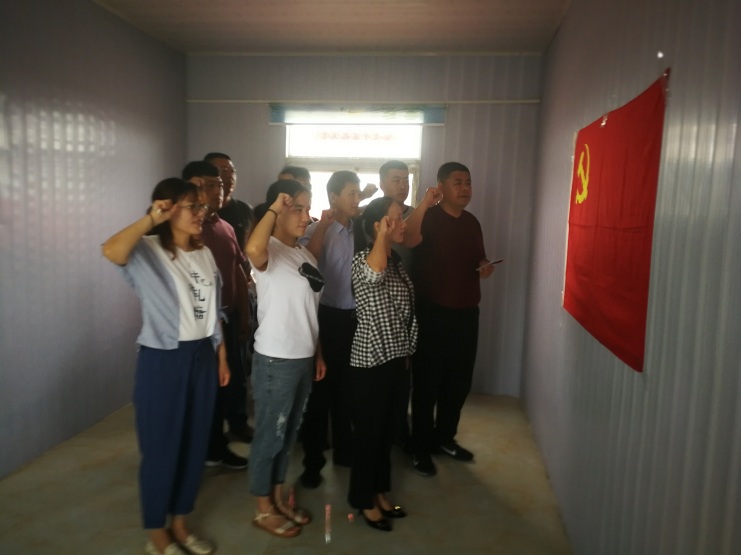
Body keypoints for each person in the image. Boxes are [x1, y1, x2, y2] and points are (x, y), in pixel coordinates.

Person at [102, 178, 228, 555]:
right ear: (168, 209)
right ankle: (156, 531)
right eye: (193, 207)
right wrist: (151, 219)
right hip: (162, 358)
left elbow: (213, 311)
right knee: (161, 446)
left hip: (202, 356)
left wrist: (221, 356)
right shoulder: (147, 250)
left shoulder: (205, 254)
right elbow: (110, 250)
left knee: (194, 443)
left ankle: (181, 523)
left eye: (202, 207)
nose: (201, 214)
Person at [403, 162, 496, 477]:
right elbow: (407, 240)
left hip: (467, 312)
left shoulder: (471, 222)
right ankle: (420, 446)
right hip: (433, 312)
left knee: (459, 382)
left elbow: (478, 257)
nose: (465, 188)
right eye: (458, 182)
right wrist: (424, 203)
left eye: (468, 182)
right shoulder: (428, 217)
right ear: (441, 186)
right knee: (427, 382)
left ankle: (444, 438)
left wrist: (484, 265)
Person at [245, 179, 327, 538]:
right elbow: (252, 247)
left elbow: (310, 310)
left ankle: (277, 499)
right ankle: (262, 508)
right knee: (270, 434)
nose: (306, 216)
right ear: (278, 210)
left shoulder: (304, 255)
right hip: (275, 361)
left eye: (308, 209)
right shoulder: (269, 251)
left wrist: (317, 353)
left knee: (288, 434)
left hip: (303, 358)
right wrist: (275, 208)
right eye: (298, 209)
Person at [348, 197, 418, 532]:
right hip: (371, 364)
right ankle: (363, 500)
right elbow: (374, 275)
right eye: (395, 219)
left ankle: (379, 492)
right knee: (369, 435)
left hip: (397, 360)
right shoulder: (363, 260)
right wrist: (381, 237)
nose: (402, 223)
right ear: (378, 226)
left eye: (402, 217)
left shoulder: (397, 263)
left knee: (387, 433)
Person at [182, 161, 250, 470]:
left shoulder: (225, 227)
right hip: (195, 326)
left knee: (223, 387)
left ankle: (214, 446)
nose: (216, 191)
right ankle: (195, 451)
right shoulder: (185, 230)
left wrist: (244, 315)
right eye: (208, 185)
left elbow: (237, 271)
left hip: (226, 320)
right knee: (198, 394)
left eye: (219, 185)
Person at [297, 170, 361, 488]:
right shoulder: (314, 229)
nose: (357, 199)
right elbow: (308, 262)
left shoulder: (361, 229)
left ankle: (345, 451)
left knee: (348, 390)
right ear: (333, 197)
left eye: (358, 193)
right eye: (351, 193)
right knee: (320, 392)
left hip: (355, 319)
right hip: (325, 318)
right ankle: (313, 462)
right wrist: (323, 224)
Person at [204, 152, 256, 443]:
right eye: (220, 172)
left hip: (234, 303)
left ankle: (236, 422)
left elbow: (240, 262)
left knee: (236, 369)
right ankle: (210, 437)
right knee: (211, 378)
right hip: (204, 314)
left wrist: (245, 310)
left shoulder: (240, 212)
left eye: (231, 170)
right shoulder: (196, 220)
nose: (228, 176)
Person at [377, 160, 413, 450]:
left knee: (404, 378)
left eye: (406, 179)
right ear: (382, 184)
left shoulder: (415, 215)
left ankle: (400, 430)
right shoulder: (373, 217)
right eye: (396, 179)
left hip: (410, 307)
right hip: (379, 314)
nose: (403, 185)